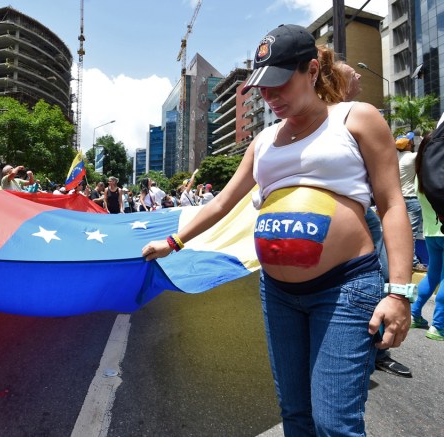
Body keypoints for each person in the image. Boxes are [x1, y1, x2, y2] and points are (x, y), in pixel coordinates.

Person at [142, 25, 413, 435]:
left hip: (345, 289)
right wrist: (172, 241)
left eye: (279, 83)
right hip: (279, 294)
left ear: (311, 69)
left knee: (334, 423)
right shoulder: (263, 141)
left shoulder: (355, 118)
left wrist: (399, 293)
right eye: (262, 88)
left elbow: (392, 205)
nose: (270, 97)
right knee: (296, 415)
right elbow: (221, 202)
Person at [338, 62, 412, 377]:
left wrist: (400, 294)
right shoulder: (351, 116)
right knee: (373, 282)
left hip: (365, 214)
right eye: (351, 73)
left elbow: (389, 197)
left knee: (378, 283)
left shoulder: (358, 117)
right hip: (360, 219)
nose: (358, 75)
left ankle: (374, 351)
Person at [411, 131, 444, 340]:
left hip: (430, 233)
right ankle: (438, 325)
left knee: (433, 275)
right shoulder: (439, 177)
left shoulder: (420, 177)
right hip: (442, 229)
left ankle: (415, 314)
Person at [396, 132, 427, 272]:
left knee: (400, 232)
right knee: (412, 234)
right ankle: (413, 262)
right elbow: (426, 154)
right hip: (411, 200)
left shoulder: (396, 158)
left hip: (399, 199)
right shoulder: (412, 157)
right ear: (408, 144)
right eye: (410, 141)